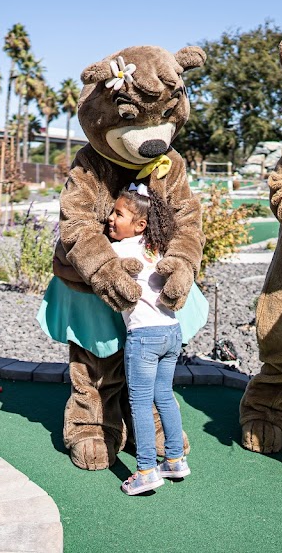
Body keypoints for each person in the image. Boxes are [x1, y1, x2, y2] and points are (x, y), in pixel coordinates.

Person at [108, 183, 190, 496]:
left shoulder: (119, 250)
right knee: (165, 395)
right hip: (171, 332)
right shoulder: (153, 246)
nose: (110, 219)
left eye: (118, 214)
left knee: (140, 404)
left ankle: (145, 470)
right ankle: (174, 459)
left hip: (143, 337)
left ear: (139, 225)